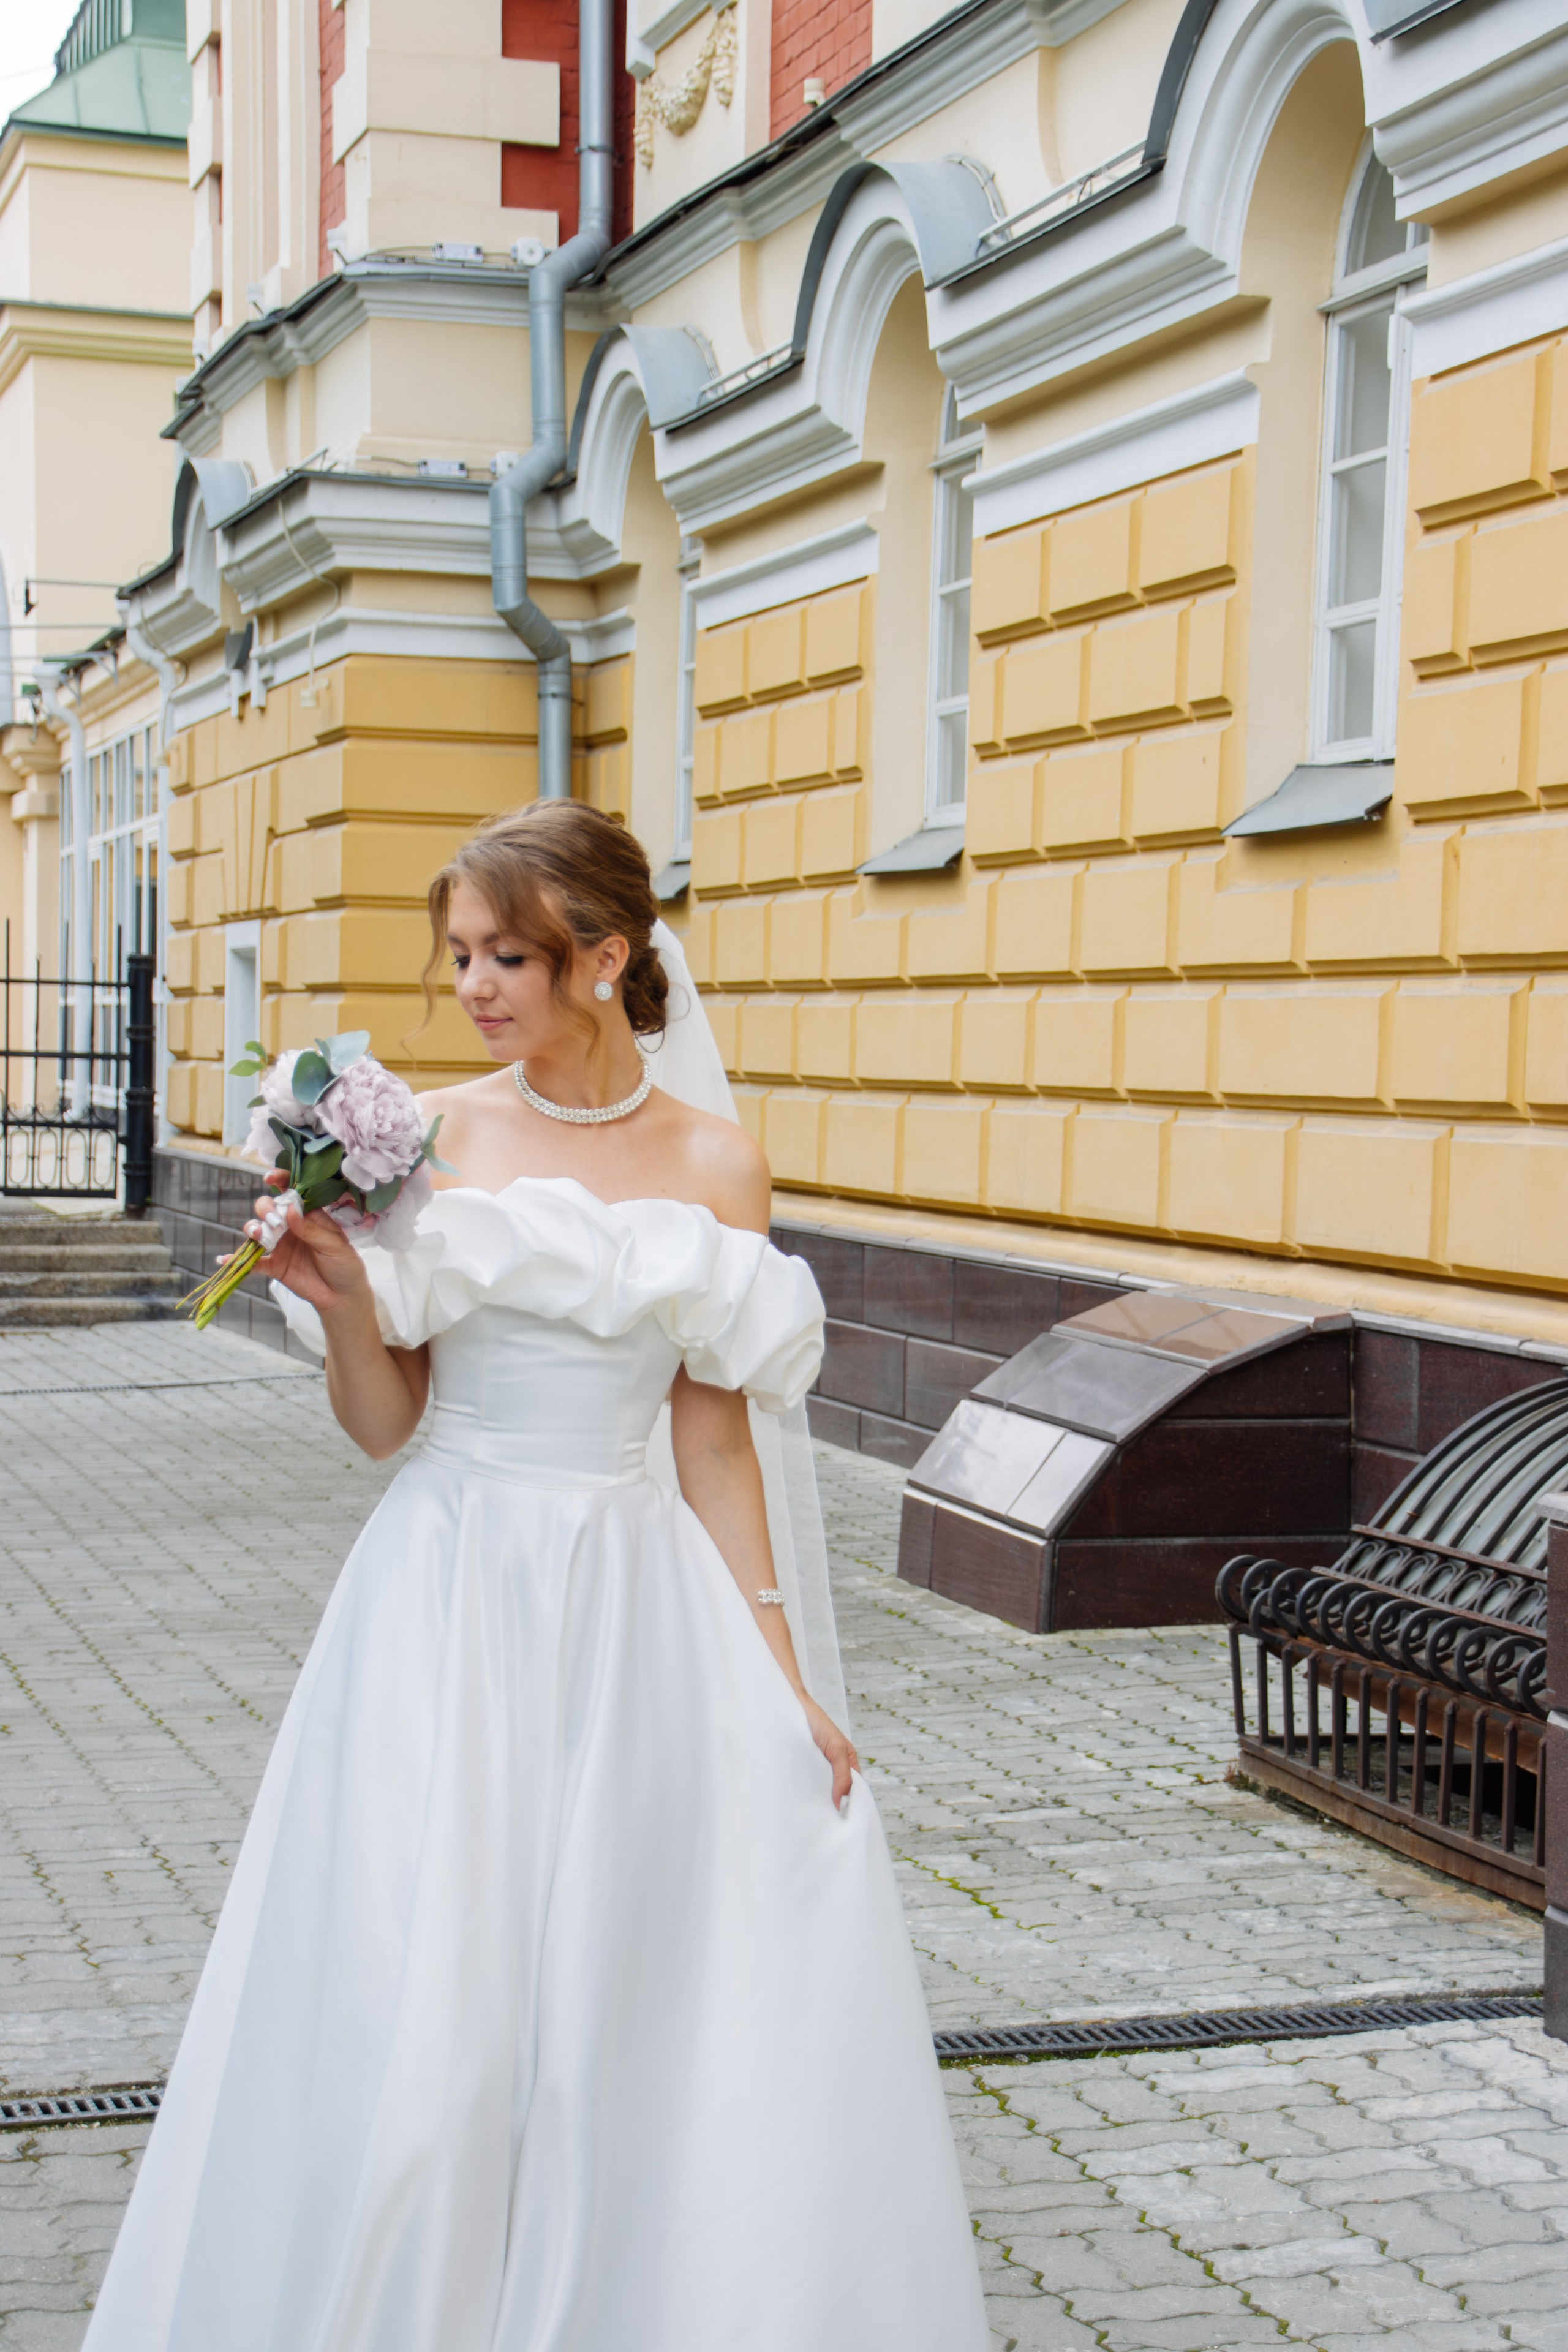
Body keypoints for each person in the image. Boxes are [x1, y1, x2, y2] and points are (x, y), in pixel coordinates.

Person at [83, 801, 990, 2352]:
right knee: (423, 2038)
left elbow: (713, 1451)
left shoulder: (717, 1164)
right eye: (460, 956)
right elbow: (382, 1429)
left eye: (509, 953)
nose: (475, 986)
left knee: (609, 2023)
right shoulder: (422, 1141)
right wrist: (345, 1299)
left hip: (632, 1615)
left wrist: (785, 1679)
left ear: (606, 958)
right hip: (440, 1599)